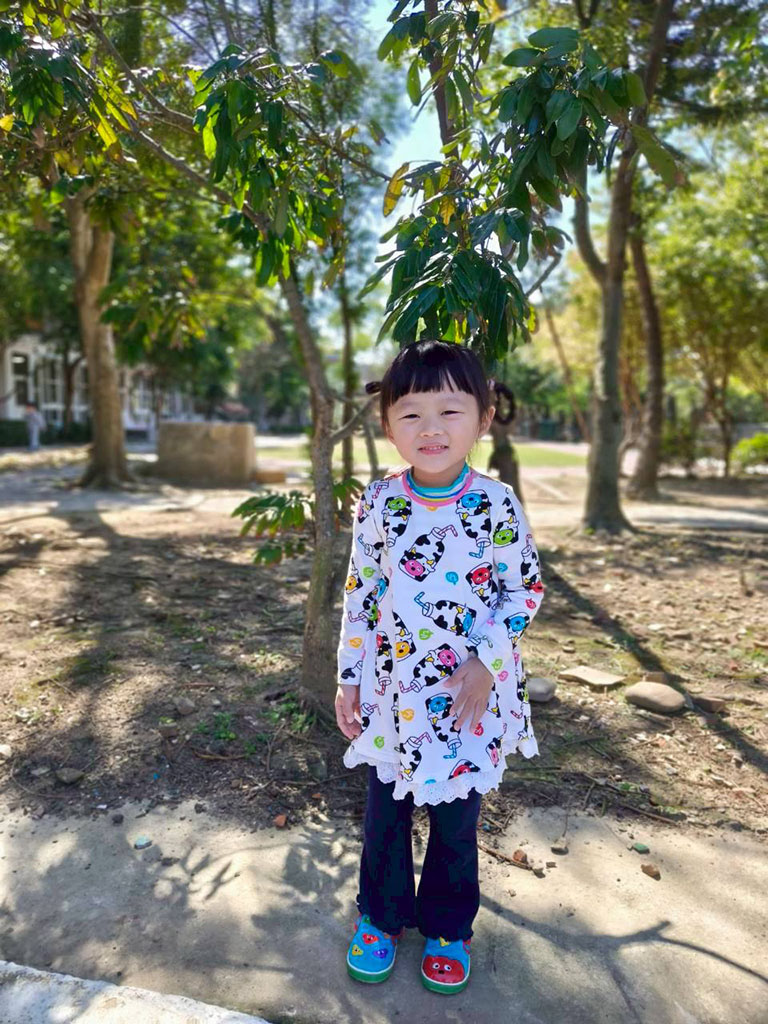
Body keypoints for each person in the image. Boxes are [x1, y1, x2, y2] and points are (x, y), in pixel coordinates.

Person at [335, 339, 545, 994]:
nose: (431, 429)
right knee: (385, 815)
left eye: (450, 411)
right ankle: (380, 917)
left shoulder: (495, 504)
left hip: (466, 698)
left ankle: (449, 927)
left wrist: (486, 662)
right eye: (411, 413)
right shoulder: (379, 502)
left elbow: (524, 591)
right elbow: (362, 591)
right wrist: (349, 676)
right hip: (392, 695)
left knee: (457, 823)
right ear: (387, 424)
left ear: (484, 418)